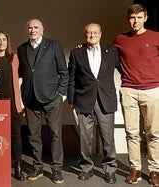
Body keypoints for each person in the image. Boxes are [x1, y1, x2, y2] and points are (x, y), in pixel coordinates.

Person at [68, 23, 120, 184]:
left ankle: (110, 168)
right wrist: (71, 100)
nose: (92, 35)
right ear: (85, 35)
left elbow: (125, 68)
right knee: (85, 138)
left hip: (105, 100)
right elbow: (72, 78)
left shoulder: (111, 51)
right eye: (89, 33)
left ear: (101, 34)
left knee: (108, 138)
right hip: (83, 100)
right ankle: (86, 168)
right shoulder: (77, 52)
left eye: (95, 32)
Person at [17, 18, 69, 184]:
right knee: (34, 135)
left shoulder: (54, 45)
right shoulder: (22, 48)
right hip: (31, 99)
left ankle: (56, 170)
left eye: (36, 27)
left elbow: (63, 71)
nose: (33, 30)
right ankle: (37, 166)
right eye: (30, 27)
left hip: (52, 98)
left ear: (42, 29)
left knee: (55, 134)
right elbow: (22, 73)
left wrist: (61, 93)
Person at [113, 4, 159, 186]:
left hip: (152, 90)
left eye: (139, 17)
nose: (135, 21)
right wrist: (83, 47)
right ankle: (135, 169)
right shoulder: (120, 39)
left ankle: (155, 170)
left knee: (153, 134)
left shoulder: (156, 37)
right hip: (129, 90)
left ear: (145, 18)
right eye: (132, 18)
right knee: (132, 133)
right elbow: (107, 56)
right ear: (127, 19)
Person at [0, 31, 24, 181]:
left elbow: (21, 76)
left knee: (15, 135)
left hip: (13, 103)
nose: (1, 42)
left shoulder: (14, 58)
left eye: (4, 40)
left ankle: (18, 167)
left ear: (7, 42)